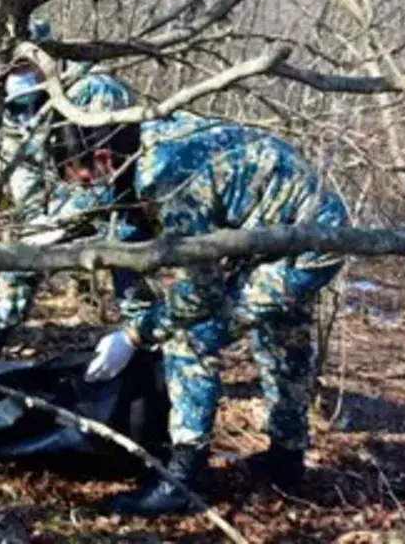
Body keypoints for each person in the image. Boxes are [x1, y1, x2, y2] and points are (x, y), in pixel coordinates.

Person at [34, 91, 350, 516]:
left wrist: (134, 333)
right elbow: (128, 228)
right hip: (292, 227)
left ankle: (182, 478)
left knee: (191, 335)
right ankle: (287, 460)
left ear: (106, 158)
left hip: (306, 243)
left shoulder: (165, 176)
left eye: (87, 180)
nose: (89, 190)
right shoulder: (147, 135)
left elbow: (199, 294)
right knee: (283, 337)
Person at [0, 20, 156, 358]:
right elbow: (23, 178)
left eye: (26, 63)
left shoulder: (95, 90)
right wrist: (35, 228)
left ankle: (141, 341)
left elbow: (106, 175)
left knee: (127, 253)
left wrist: (55, 225)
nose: (19, 72)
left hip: (119, 205)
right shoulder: (12, 108)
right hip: (58, 210)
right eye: (13, 65)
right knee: (19, 262)